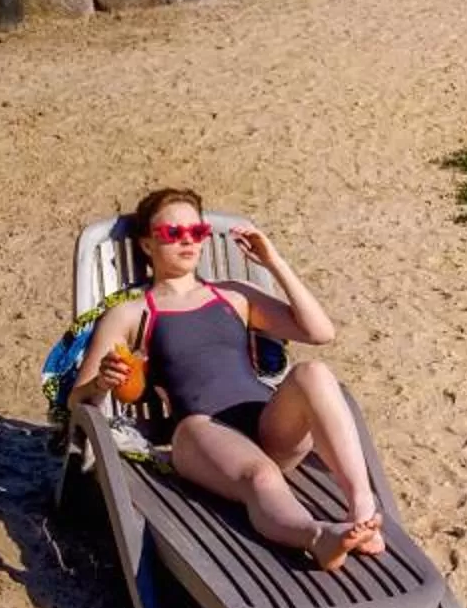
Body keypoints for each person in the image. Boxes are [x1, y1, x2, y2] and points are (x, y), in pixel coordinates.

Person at [68, 187, 382, 570]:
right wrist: (102, 382)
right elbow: (78, 401)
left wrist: (274, 263)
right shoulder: (132, 313)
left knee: (313, 372)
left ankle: (362, 506)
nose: (187, 240)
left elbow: (320, 333)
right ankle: (316, 536)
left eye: (196, 232)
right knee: (261, 476)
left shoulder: (233, 295)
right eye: (172, 234)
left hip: (266, 425)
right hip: (199, 434)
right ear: (147, 245)